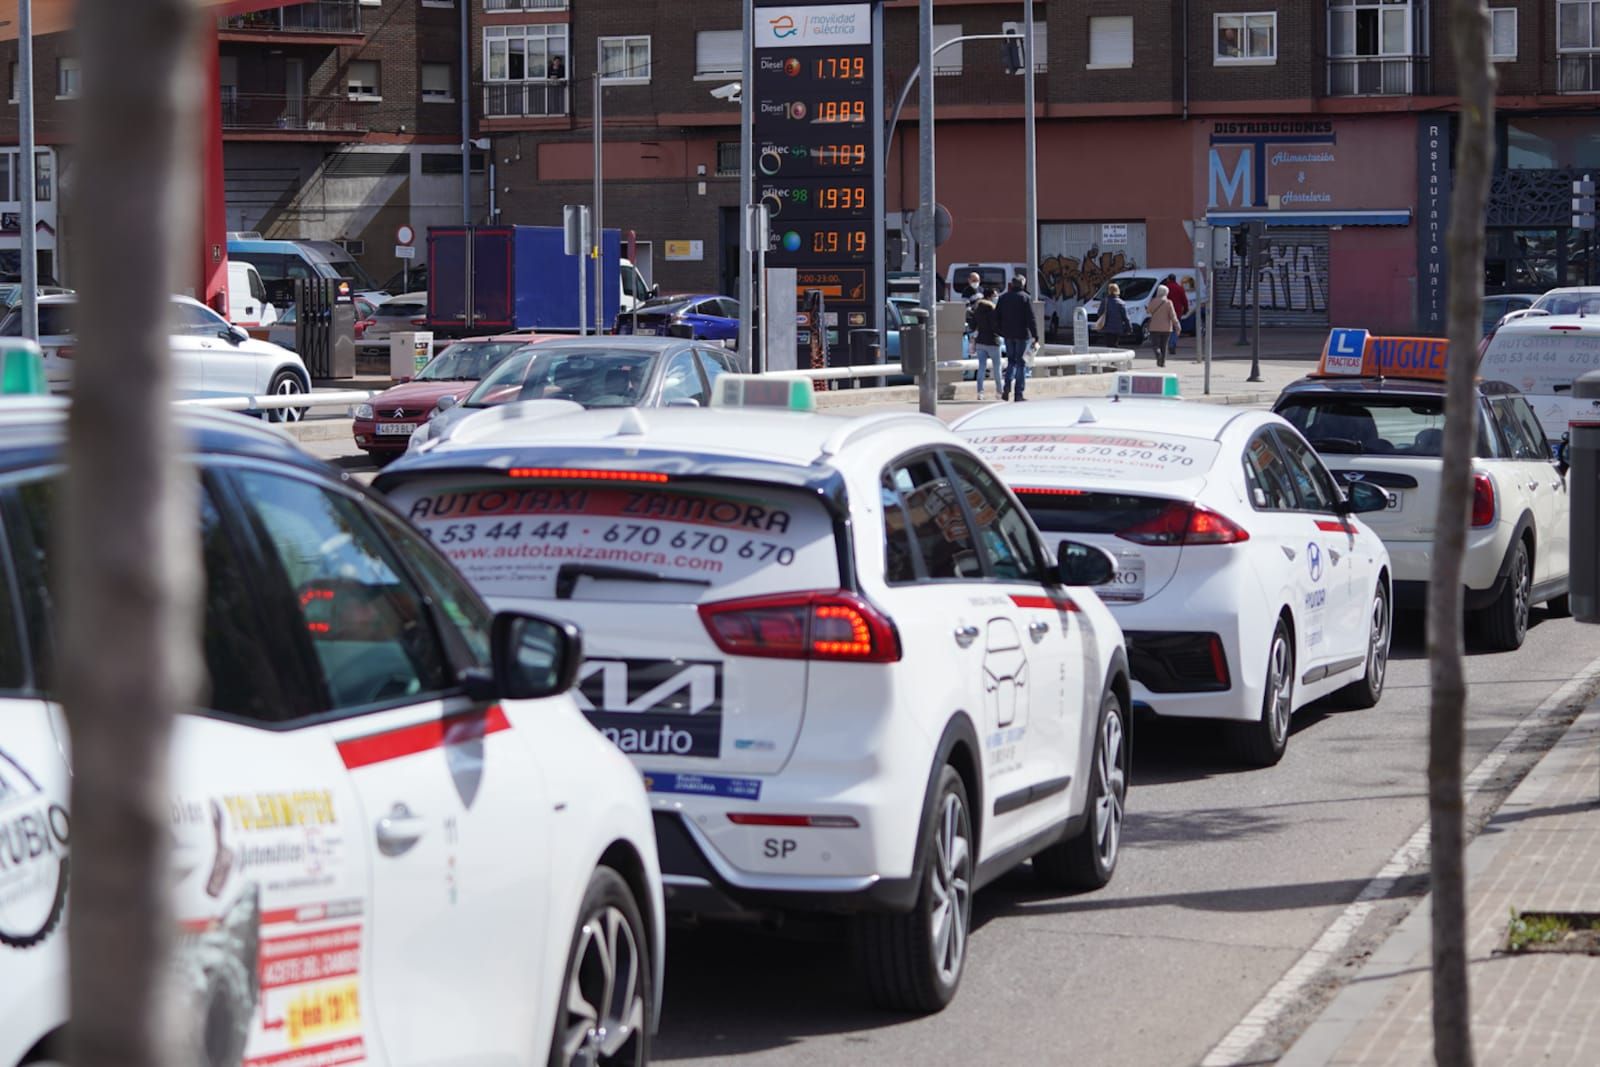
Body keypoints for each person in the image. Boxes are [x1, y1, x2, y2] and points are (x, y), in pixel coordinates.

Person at [995, 275, 1038, 401]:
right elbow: (1031, 318)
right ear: (1022, 284)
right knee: (1021, 363)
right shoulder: (1025, 298)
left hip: (1008, 335)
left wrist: (1001, 331)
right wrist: (1036, 335)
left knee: (1011, 362)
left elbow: (996, 316)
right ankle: (1018, 393)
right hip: (1022, 335)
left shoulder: (1003, 298)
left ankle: (1006, 388)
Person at [970, 287, 1002, 400]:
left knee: (981, 367)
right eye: (995, 295)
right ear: (989, 297)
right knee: (997, 368)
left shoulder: (977, 309)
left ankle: (980, 392)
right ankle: (999, 392)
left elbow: (972, 326)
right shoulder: (993, 310)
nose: (996, 297)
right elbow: (996, 327)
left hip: (980, 341)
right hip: (993, 341)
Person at [1145, 284, 1178, 368]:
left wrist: (1147, 308)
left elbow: (1148, 311)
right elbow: (1173, 315)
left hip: (1154, 327)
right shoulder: (1169, 302)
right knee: (1164, 345)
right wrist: (1177, 326)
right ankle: (1162, 363)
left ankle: (1158, 353)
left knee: (1155, 345)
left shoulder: (1153, 301)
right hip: (1167, 328)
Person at [1163, 274, 1189, 356]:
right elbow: (1184, 300)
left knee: (1167, 329)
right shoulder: (1180, 288)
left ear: (1168, 279)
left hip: (1166, 311)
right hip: (1177, 312)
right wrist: (1186, 309)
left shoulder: (1165, 288)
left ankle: (1167, 344)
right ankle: (1172, 345)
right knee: (1175, 329)